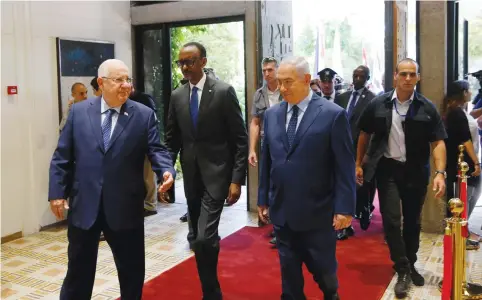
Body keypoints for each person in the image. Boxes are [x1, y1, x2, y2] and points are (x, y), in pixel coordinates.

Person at [48, 59, 175, 300]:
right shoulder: (79, 112)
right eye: (119, 80)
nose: (125, 85)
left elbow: (156, 149)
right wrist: (57, 192)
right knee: (78, 273)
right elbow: (62, 156)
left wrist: (166, 170)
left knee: (131, 273)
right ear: (101, 83)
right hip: (85, 206)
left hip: (125, 208)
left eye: (128, 80)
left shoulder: (143, 115)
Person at [258, 56, 355, 300]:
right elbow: (267, 161)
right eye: (279, 82)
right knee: (289, 282)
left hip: (318, 214)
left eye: (288, 82)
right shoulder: (271, 115)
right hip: (283, 212)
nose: (282, 88)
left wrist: (344, 208)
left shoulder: (333, 115)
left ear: (307, 80)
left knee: (325, 277)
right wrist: (263, 199)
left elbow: (344, 165)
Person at [356, 58, 447, 298]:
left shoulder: (427, 108)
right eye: (403, 74)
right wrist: (358, 163)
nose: (408, 78)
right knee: (392, 221)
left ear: (418, 77)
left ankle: (410, 261)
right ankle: (403, 268)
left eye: (412, 74)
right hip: (387, 171)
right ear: (395, 75)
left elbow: (438, 142)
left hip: (416, 171)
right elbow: (364, 133)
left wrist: (440, 173)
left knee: (413, 222)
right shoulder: (378, 104)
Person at [165, 42, 248, 300]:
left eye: (190, 61)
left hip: (217, 175)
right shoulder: (177, 96)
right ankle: (210, 291)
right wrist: (167, 171)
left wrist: (236, 180)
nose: (185, 67)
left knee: (203, 237)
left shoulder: (223, 92)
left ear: (203, 61)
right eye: (181, 63)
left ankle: (212, 294)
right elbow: (171, 140)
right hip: (190, 179)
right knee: (197, 239)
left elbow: (240, 139)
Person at [335, 65, 377, 238]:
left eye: (362, 76)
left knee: (358, 186)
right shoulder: (341, 97)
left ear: (367, 79)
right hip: (340, 147)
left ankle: (361, 211)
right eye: (355, 75)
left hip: (359, 149)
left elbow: (371, 129)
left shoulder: (373, 99)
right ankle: (345, 224)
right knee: (341, 185)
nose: (358, 79)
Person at [443, 80, 481, 249]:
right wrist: (476, 161)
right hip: (463, 162)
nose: (471, 92)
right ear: (463, 92)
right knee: (464, 199)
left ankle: (462, 233)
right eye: (469, 90)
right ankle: (461, 235)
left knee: (467, 196)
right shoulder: (456, 113)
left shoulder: (455, 111)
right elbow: (466, 140)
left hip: (459, 161)